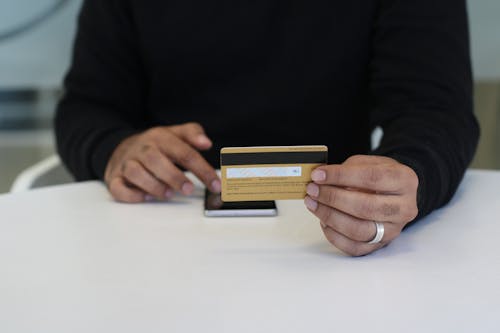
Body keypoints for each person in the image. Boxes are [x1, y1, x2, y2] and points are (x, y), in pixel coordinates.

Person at [55, 0, 479, 256]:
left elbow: (435, 108)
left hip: (329, 235)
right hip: (161, 230)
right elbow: (88, 107)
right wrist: (118, 149)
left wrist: (407, 179)